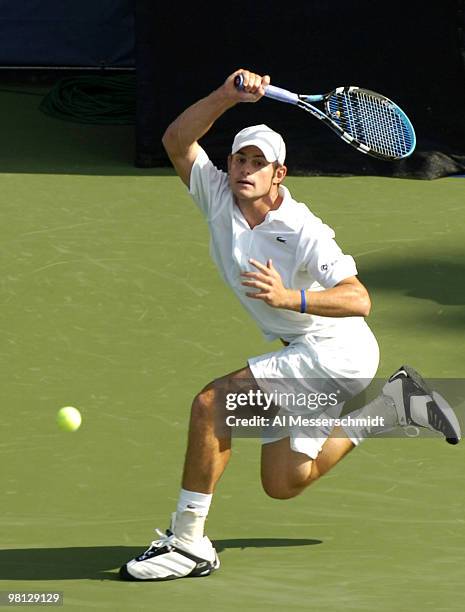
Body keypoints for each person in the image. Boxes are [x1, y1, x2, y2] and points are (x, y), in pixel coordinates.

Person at [119, 69, 461, 582]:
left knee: (215, 405)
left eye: (260, 163)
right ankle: (397, 405)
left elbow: (359, 299)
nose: (246, 170)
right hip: (312, 349)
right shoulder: (216, 195)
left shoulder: (304, 230)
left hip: (335, 351)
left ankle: (188, 542)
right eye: (240, 159)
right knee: (284, 481)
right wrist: (224, 97)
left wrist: (289, 297)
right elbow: (175, 140)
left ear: (280, 174)